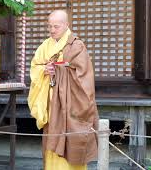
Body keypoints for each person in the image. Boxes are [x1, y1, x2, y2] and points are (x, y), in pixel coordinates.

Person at [28, 10, 99, 170]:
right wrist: (44, 70)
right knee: (51, 140)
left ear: (67, 25)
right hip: (52, 103)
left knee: (71, 142)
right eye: (50, 26)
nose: (52, 30)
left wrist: (60, 70)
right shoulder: (45, 45)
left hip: (69, 103)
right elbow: (35, 66)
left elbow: (83, 75)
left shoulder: (76, 46)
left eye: (56, 26)